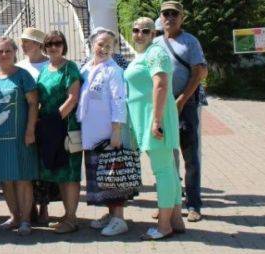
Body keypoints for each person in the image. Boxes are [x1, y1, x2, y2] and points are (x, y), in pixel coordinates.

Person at [126, 17, 185, 240]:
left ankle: (163, 226)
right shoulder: (143, 55)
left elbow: (160, 84)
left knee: (163, 171)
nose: (139, 34)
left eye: (145, 30)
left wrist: (157, 120)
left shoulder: (156, 53)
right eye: (135, 30)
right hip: (148, 119)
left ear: (153, 34)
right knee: (168, 169)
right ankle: (176, 219)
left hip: (155, 120)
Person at [78, 28, 133, 237]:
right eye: (100, 44)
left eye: (109, 46)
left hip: (107, 133)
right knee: (101, 177)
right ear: (92, 45)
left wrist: (116, 131)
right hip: (91, 133)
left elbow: (119, 101)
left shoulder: (113, 70)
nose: (104, 49)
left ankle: (119, 219)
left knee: (113, 175)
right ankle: (111, 215)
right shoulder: (86, 68)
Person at [157, 0, 208, 222]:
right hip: (163, 105)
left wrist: (182, 99)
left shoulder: (190, 42)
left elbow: (198, 73)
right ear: (160, 17)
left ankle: (194, 204)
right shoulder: (156, 43)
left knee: (190, 156)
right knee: (166, 158)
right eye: (165, 13)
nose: (169, 17)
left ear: (182, 17)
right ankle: (169, 204)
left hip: (184, 104)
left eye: (174, 14)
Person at [0, 38, 39, 236]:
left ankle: (25, 220)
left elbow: (33, 104)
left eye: (8, 50)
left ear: (15, 52)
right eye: (0, 51)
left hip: (21, 136)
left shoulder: (23, 76)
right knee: (6, 179)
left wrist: (30, 130)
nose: (5, 54)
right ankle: (14, 216)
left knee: (23, 179)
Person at [36, 30, 83, 234]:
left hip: (67, 127)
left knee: (70, 174)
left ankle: (72, 219)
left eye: (57, 43)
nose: (53, 47)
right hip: (49, 127)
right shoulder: (45, 70)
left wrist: (54, 121)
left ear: (64, 45)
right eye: (49, 44)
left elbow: (72, 98)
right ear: (44, 48)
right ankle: (66, 214)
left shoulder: (70, 68)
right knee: (60, 173)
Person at [16, 27, 53, 225]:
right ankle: (28, 208)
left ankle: (44, 207)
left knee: (43, 167)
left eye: (27, 42)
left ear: (39, 45)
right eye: (22, 42)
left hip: (45, 122)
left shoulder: (49, 65)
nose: (23, 45)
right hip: (25, 122)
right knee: (28, 167)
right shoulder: (20, 66)